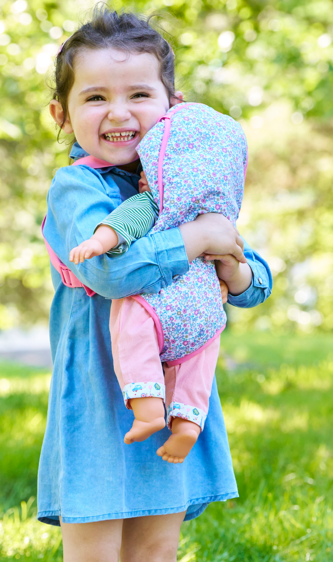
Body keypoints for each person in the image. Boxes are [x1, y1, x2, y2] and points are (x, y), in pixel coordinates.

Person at [39, 8, 273, 562]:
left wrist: (234, 264)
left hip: (174, 396)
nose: (119, 114)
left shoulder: (185, 178)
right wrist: (198, 242)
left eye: (139, 95)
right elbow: (112, 270)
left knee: (158, 556)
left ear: (170, 105)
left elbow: (247, 272)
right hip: (102, 403)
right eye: (96, 97)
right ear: (62, 113)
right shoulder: (76, 191)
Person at [67, 100, 248, 464]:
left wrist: (96, 242)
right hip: (205, 314)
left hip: (158, 306)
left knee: (132, 324)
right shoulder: (220, 215)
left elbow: (121, 227)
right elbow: (246, 263)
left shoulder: (154, 201)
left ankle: (149, 408)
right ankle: (187, 426)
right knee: (198, 366)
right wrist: (228, 268)